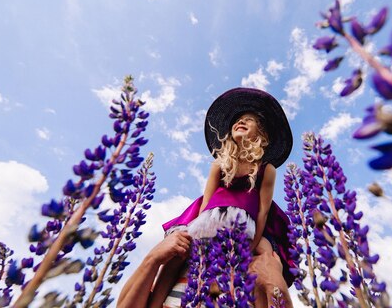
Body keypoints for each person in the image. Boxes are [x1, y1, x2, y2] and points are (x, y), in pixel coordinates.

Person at [117, 87, 295, 308]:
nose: (241, 121)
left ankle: (262, 296)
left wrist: (252, 247)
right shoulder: (219, 165)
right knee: (177, 251)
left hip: (246, 223)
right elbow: (205, 204)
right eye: (238, 119)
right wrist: (196, 235)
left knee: (266, 253)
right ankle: (155, 302)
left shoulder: (266, 170)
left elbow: (263, 211)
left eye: (249, 120)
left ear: (262, 136)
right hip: (211, 218)